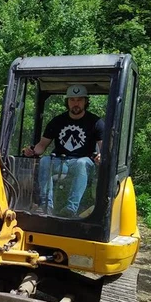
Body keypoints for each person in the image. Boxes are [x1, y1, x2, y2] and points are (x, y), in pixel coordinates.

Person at [23, 84, 104, 217]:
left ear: (85, 102)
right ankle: (46, 206)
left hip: (84, 163)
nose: (75, 103)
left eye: (79, 100)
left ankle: (71, 208)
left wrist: (102, 155)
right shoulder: (57, 121)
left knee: (81, 163)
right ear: (67, 102)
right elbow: (42, 145)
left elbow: (104, 148)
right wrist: (31, 151)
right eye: (72, 100)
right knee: (45, 160)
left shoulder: (96, 122)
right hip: (61, 161)